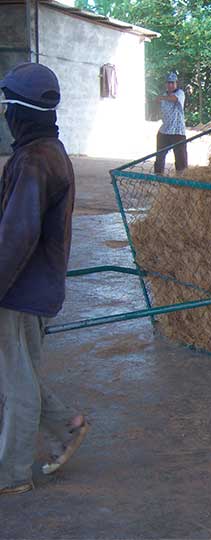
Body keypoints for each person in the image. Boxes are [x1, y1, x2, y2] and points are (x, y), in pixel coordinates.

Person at [0, 63, 89, 496]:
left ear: (19, 113)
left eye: (6, 107)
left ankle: (12, 475)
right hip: (38, 285)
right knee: (18, 374)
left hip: (21, 289)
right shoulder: (49, 151)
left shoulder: (34, 160)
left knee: (14, 382)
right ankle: (67, 425)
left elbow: (17, 236)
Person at [154, 72, 187, 175]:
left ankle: (181, 178)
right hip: (165, 130)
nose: (170, 85)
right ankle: (158, 175)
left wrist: (162, 98)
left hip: (177, 131)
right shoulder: (164, 95)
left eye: (172, 83)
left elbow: (174, 99)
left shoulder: (180, 93)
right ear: (166, 84)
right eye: (168, 83)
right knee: (159, 155)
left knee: (180, 156)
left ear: (176, 84)